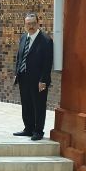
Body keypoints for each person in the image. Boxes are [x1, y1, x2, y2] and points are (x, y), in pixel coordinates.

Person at [13, 12, 53, 141]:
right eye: (28, 24)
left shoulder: (46, 40)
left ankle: (38, 131)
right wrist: (17, 73)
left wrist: (43, 80)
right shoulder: (23, 37)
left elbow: (48, 63)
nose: (31, 26)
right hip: (24, 77)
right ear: (25, 25)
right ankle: (28, 129)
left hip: (38, 80)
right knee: (26, 104)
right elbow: (19, 57)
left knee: (38, 105)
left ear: (38, 24)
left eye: (33, 23)